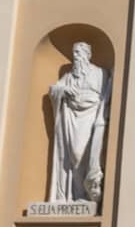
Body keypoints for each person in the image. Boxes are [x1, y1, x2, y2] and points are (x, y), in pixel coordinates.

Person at [48, 42, 111, 205]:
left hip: (90, 115)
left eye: (78, 53)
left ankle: (86, 192)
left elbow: (105, 96)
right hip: (71, 116)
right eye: (74, 53)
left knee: (82, 153)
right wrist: (63, 90)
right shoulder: (69, 76)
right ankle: (76, 195)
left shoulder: (99, 73)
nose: (75, 56)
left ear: (87, 55)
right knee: (72, 155)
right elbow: (54, 89)